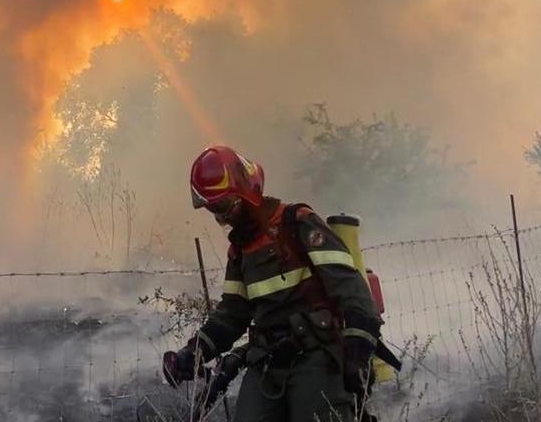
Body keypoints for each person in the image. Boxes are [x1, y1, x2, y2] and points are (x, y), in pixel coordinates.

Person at [163, 146, 384, 422]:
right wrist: (193, 352)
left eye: (222, 205)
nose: (220, 217)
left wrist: (358, 350)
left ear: (245, 192)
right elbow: (232, 314)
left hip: (317, 354)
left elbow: (349, 286)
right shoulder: (240, 251)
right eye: (212, 209)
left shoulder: (298, 224)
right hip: (266, 361)